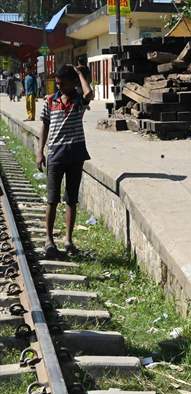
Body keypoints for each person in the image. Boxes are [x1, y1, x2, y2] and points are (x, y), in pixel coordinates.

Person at [37, 65, 94, 258]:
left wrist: (79, 73)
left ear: (73, 83)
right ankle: (49, 240)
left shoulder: (78, 101)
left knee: (71, 199)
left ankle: (68, 240)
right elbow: (44, 126)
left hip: (75, 155)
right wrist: (40, 152)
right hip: (55, 155)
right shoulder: (50, 101)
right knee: (52, 199)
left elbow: (89, 93)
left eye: (62, 83)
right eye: (57, 83)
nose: (59, 87)